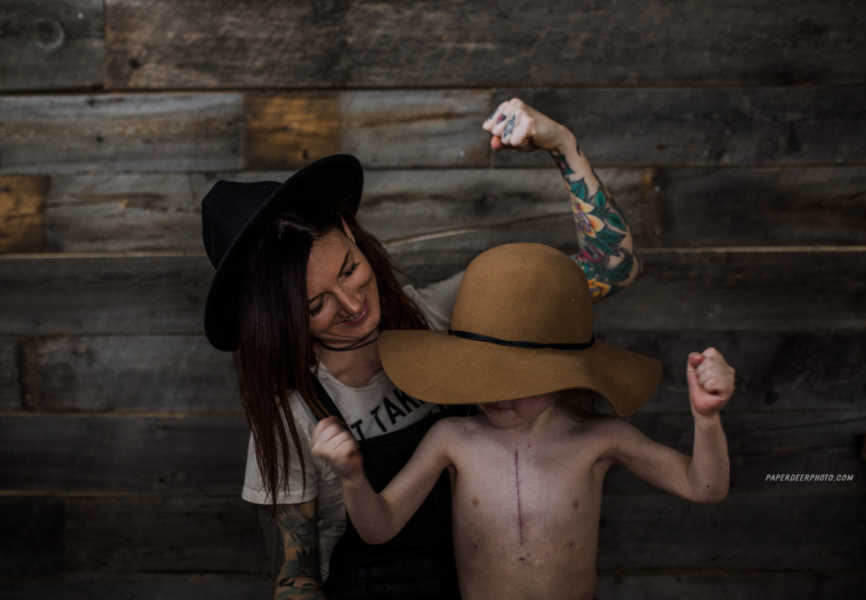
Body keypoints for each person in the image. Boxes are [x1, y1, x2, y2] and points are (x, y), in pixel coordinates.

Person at [200, 99, 642, 599]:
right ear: (278, 320)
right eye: (316, 304)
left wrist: (562, 145)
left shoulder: (446, 314)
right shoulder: (294, 413)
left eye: (349, 269)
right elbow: (294, 575)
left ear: (351, 234)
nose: (352, 304)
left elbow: (612, 267)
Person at [311, 243, 734, 600]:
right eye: (486, 375)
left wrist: (707, 419)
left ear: (566, 373)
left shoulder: (601, 440)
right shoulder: (451, 439)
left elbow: (705, 487)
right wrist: (352, 478)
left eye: (520, 381)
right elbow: (379, 528)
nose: (498, 395)